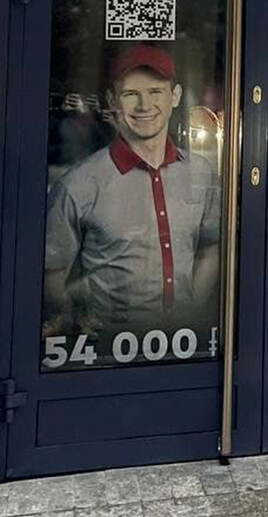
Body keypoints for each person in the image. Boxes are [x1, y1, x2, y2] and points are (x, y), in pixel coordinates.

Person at [44, 44, 221, 353]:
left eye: (155, 92)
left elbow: (209, 249)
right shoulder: (78, 184)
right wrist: (80, 323)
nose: (144, 105)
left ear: (175, 96)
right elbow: (53, 276)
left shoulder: (201, 174)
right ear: (112, 101)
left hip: (186, 347)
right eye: (130, 94)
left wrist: (190, 310)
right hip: (107, 351)